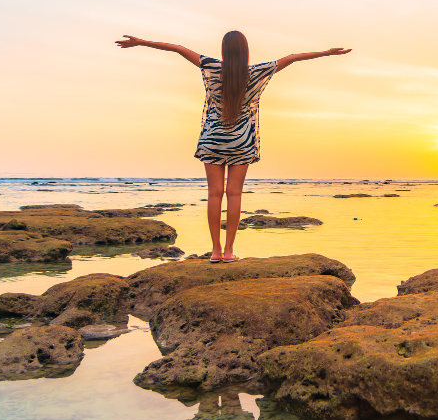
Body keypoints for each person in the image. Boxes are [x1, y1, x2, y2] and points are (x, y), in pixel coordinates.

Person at [116, 31, 351, 263]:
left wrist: (141, 42)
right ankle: (229, 252)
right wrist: (326, 53)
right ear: (245, 50)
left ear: (224, 50)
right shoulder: (257, 71)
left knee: (214, 194)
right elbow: (292, 57)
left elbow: (177, 48)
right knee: (235, 194)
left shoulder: (210, 66)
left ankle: (215, 251)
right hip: (242, 141)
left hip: (212, 139)